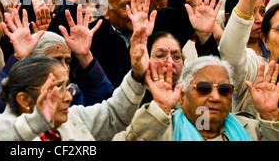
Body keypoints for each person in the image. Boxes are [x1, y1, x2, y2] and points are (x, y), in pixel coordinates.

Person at [0, 43, 148, 141]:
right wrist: (36, 122)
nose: (67, 97)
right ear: (24, 99)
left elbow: (113, 114)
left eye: (67, 87)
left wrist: (138, 76)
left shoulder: (73, 118)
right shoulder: (3, 126)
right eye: (56, 89)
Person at [0, 4, 114, 125]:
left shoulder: (73, 96)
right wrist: (19, 60)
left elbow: (108, 112)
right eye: (55, 60)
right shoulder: (22, 98)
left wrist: (85, 57)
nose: (64, 68)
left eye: (67, 61)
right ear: (33, 63)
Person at [113, 55, 279, 141]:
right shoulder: (158, 131)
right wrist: (159, 110)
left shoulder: (252, 130)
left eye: (224, 90)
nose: (215, 97)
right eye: (203, 88)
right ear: (182, 97)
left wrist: (270, 116)